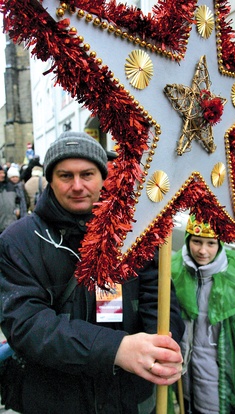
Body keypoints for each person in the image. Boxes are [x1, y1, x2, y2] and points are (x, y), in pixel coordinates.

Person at [0, 131, 184, 414]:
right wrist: (116, 350)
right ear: (50, 179)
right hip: (56, 399)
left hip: (128, 397)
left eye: (87, 174)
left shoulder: (134, 232)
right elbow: (26, 325)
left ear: (103, 177)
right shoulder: (18, 241)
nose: (77, 186)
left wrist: (159, 350)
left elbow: (159, 299)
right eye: (65, 175)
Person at [170, 214, 235, 414]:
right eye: (197, 241)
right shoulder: (175, 271)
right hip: (186, 386)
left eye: (211, 243)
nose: (202, 250)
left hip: (216, 396)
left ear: (220, 244)